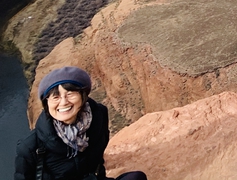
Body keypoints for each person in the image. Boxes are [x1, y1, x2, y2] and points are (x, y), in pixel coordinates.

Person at [14, 66, 146, 180]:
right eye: (55, 97)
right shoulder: (31, 147)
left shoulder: (98, 117)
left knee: (136, 177)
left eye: (70, 93)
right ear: (46, 104)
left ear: (83, 96)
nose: (64, 102)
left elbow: (99, 158)